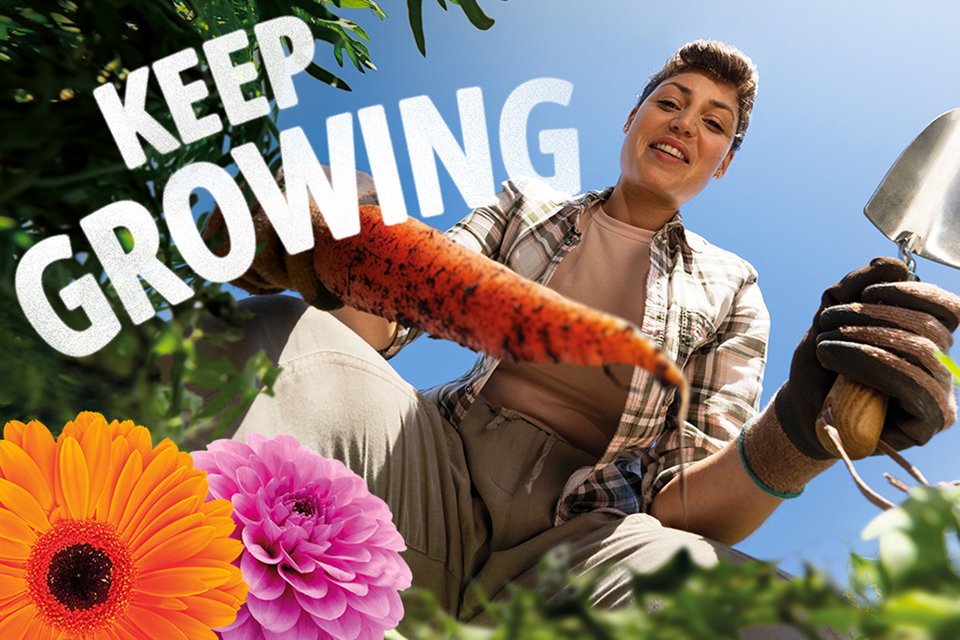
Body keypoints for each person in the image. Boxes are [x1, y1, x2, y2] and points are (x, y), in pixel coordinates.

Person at [206, 40, 960, 637]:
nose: (684, 123)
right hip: (426, 474)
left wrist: (797, 431)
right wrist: (344, 258)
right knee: (281, 336)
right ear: (631, 120)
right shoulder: (525, 204)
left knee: (766, 615)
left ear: (724, 164)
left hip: (584, 547)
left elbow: (685, 506)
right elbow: (398, 318)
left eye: (714, 122)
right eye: (670, 101)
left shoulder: (734, 287)